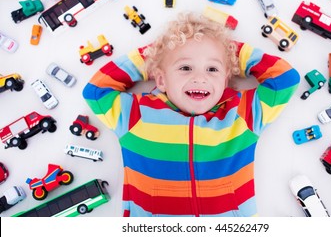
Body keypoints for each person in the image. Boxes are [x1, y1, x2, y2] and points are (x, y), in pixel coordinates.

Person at [83, 12, 300, 217]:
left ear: (225, 80)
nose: (200, 77)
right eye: (185, 67)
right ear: (161, 80)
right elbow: (95, 92)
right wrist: (153, 55)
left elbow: (284, 78)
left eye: (212, 69)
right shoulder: (136, 115)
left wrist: (230, 53)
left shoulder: (241, 113)